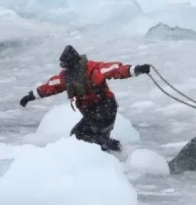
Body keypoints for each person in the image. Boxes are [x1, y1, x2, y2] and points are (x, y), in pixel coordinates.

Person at [19, 45, 151, 152]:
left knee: (82, 135)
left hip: (105, 108)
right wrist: (31, 96)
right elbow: (52, 86)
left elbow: (115, 69)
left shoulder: (94, 69)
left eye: (69, 65)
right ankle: (111, 149)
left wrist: (135, 69)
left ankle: (106, 154)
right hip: (90, 113)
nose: (68, 69)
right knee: (79, 135)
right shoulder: (66, 77)